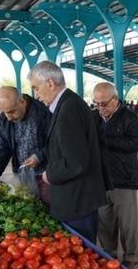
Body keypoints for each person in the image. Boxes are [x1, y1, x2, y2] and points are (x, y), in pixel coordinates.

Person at [29, 61, 107, 243]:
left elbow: (76, 163)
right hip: (77, 198)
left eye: (36, 88)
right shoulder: (68, 104)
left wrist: (49, 174)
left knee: (81, 252)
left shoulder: (68, 109)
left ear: (49, 83)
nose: (36, 95)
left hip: (77, 201)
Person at [93, 83, 138, 268]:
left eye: (104, 104)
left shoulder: (130, 118)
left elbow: (135, 144)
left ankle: (131, 255)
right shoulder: (94, 117)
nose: (100, 108)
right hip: (100, 179)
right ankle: (109, 253)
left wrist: (104, 139)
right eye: (96, 104)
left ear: (115, 100)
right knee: (104, 220)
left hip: (123, 178)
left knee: (127, 222)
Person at [0, 86, 52, 204]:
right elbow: (2, 147)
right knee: (28, 207)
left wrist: (40, 156)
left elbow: (57, 143)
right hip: (22, 175)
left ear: (22, 101)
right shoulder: (5, 118)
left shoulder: (44, 113)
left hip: (46, 176)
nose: (8, 117)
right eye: (4, 112)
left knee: (48, 210)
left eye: (11, 111)